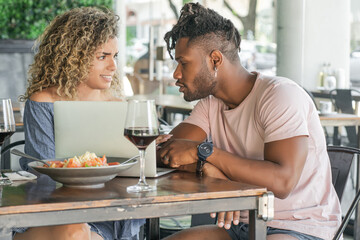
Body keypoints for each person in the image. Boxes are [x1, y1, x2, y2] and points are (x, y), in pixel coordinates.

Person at [158, 2, 341, 240]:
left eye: (184, 63)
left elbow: (282, 182)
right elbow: (165, 154)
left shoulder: (279, 95)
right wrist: (213, 173)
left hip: (299, 225)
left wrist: (206, 153)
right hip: (243, 225)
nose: (176, 74)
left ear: (215, 60)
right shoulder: (210, 105)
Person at [15, 7, 144, 240]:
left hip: (107, 215)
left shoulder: (120, 106)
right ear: (73, 57)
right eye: (102, 56)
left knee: (77, 233)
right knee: (74, 232)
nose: (113, 67)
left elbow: (134, 171)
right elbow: (44, 172)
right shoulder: (44, 102)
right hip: (53, 213)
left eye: (114, 56)